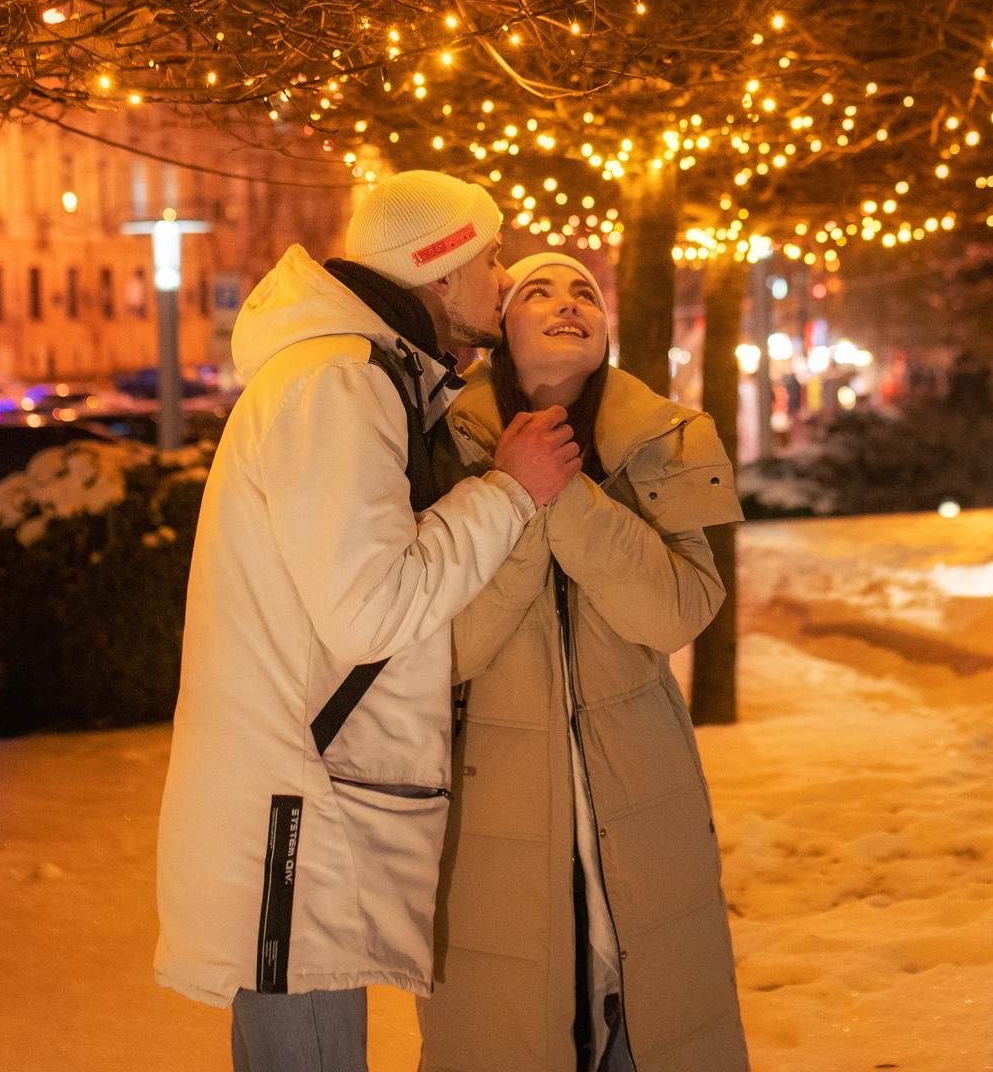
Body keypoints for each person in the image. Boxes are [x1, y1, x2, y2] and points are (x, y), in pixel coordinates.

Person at [155, 169, 584, 1071]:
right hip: (297, 813)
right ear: (439, 269)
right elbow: (370, 607)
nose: (503, 278)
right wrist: (510, 492)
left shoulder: (351, 375)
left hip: (298, 794)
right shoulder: (340, 385)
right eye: (490, 257)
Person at [422, 252, 749, 1072]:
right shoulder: (440, 445)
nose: (569, 304)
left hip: (644, 794)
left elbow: (676, 612)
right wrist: (513, 493)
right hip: (488, 803)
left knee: (656, 1027)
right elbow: (443, 649)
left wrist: (562, 494)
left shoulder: (661, 440)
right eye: (537, 292)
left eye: (585, 295)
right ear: (501, 330)